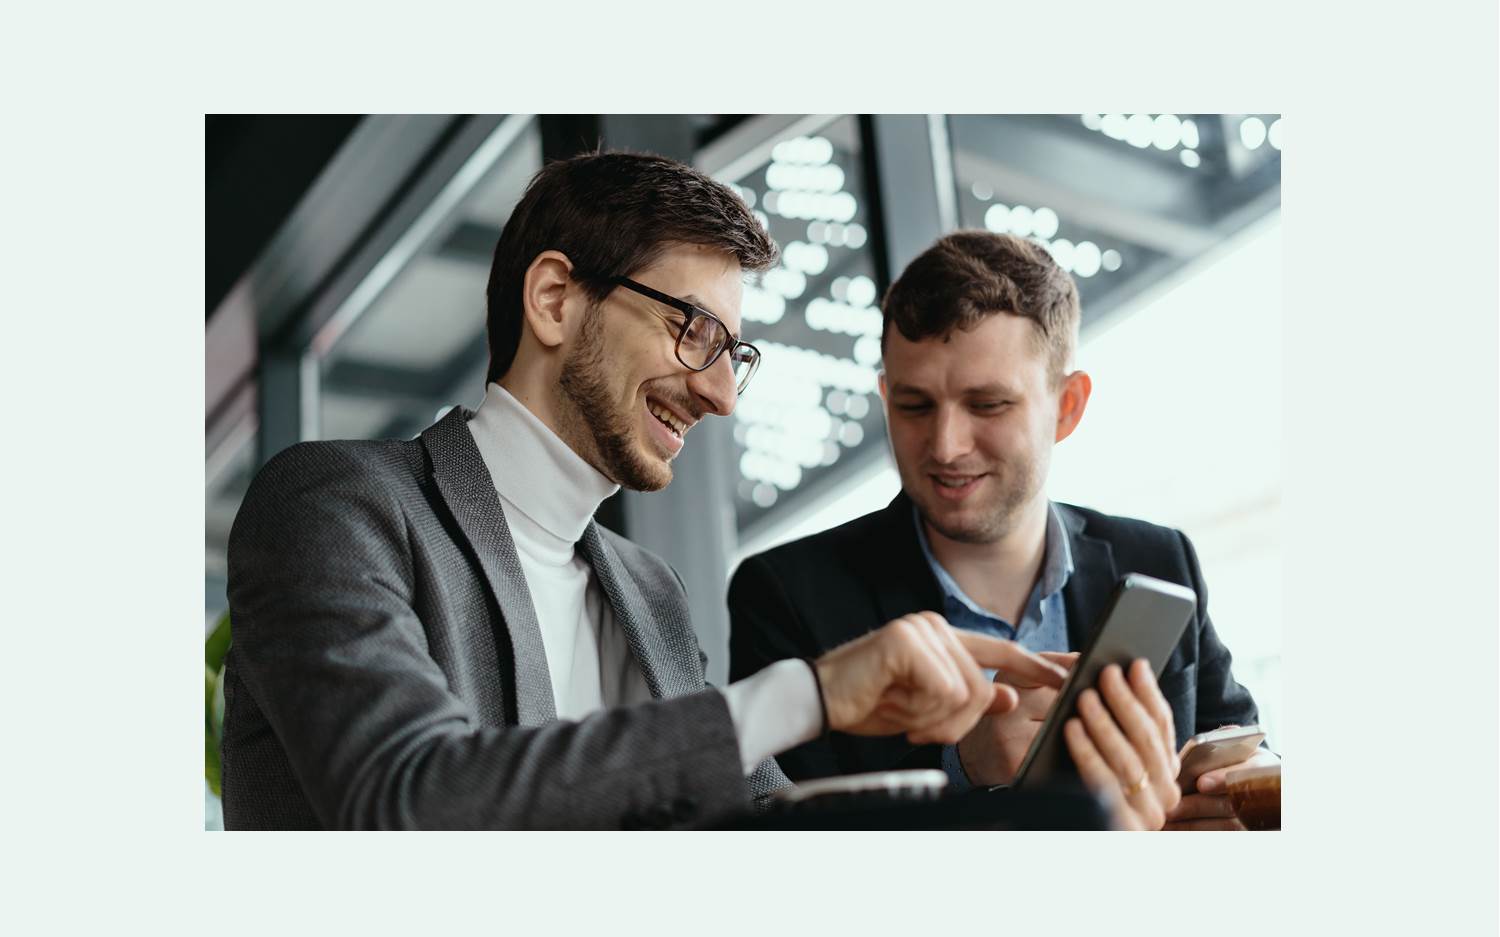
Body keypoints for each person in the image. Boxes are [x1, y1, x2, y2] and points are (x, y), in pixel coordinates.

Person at [221, 152, 1094, 830]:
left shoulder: (647, 589)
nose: (719, 392)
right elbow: (408, 800)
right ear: (556, 299)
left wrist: (990, 786)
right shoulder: (335, 505)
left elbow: (774, 837)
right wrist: (811, 692)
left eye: (733, 356)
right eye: (694, 331)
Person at [729, 230, 1277, 831]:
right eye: (914, 406)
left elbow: (1247, 753)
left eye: (987, 405)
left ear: (1067, 406)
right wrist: (965, 765)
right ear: (885, 397)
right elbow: (788, 843)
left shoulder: (1157, 558)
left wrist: (1237, 808)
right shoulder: (784, 595)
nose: (945, 445)